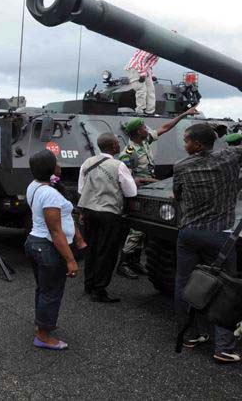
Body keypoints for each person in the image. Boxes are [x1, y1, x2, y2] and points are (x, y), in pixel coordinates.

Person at [173, 123, 241, 363]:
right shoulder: (230, 157)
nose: (185, 145)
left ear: (197, 145)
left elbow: (177, 195)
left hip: (189, 233)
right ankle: (223, 348)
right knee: (226, 290)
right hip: (221, 235)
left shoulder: (181, 166)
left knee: (184, 284)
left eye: (187, 140)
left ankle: (190, 335)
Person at [117, 108, 197, 279]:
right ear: (138, 131)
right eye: (144, 127)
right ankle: (123, 263)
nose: (147, 129)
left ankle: (135, 261)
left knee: (145, 229)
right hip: (138, 193)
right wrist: (151, 181)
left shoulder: (145, 141)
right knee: (137, 230)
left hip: (151, 188)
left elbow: (166, 127)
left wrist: (184, 113)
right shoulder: (128, 153)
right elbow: (129, 179)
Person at [26, 150, 84, 350]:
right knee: (51, 292)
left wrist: (77, 236)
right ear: (51, 168)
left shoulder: (35, 186)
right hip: (47, 247)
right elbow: (55, 231)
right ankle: (43, 336)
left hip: (35, 243)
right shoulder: (49, 193)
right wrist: (70, 259)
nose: (60, 164)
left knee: (43, 289)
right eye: (56, 162)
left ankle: (42, 324)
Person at [78, 133, 137, 303]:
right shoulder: (118, 165)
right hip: (108, 213)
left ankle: (88, 284)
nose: (119, 146)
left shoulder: (87, 163)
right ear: (113, 146)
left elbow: (82, 189)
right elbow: (130, 192)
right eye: (118, 144)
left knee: (92, 248)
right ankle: (99, 290)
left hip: (89, 210)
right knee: (107, 252)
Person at [125, 48, 159, 114]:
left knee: (150, 90)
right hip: (135, 67)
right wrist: (142, 73)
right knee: (141, 89)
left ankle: (150, 111)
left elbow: (148, 63)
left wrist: (151, 75)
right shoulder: (152, 46)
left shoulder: (160, 49)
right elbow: (140, 59)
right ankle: (140, 111)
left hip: (145, 69)